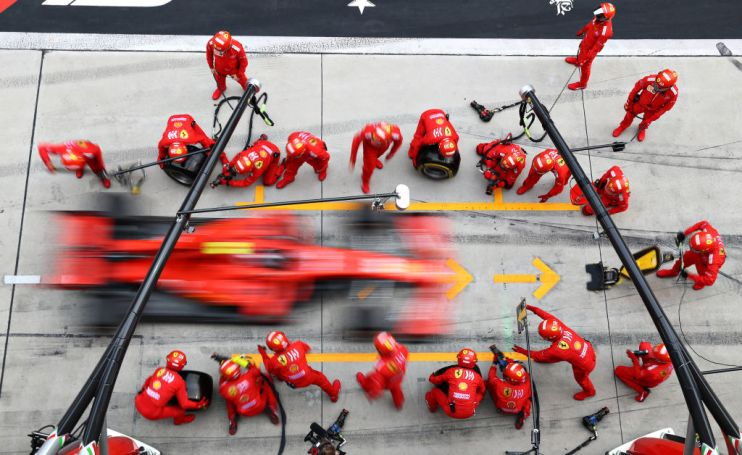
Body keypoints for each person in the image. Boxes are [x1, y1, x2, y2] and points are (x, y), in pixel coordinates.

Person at [513, 305, 597, 400]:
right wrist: (530, 308)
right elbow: (546, 315)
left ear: (549, 338)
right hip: (588, 350)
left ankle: (590, 392)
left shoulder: (557, 349)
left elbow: (538, 355)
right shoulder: (559, 326)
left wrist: (522, 351)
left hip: (584, 365)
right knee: (555, 355)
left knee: (581, 379)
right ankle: (548, 360)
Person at [258, 331, 341, 401]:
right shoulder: (298, 345)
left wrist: (262, 352)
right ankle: (333, 395)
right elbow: (307, 349)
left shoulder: (273, 361)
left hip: (293, 384)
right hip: (309, 377)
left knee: (277, 371)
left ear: (272, 349)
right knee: (322, 379)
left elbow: (269, 369)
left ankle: (280, 379)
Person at [134, 350, 208, 425]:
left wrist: (143, 390)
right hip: (151, 413)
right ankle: (179, 421)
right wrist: (198, 404)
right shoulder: (179, 381)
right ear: (182, 366)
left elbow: (148, 380)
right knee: (180, 411)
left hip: (138, 401)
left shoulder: (160, 370)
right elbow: (184, 404)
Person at [657, 220, 726, 290]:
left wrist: (689, 276)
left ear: (703, 250)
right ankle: (673, 272)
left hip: (705, 262)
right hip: (699, 253)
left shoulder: (715, 260)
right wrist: (684, 234)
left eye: (693, 249)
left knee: (702, 274)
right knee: (681, 261)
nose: (690, 249)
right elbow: (703, 223)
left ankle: (700, 283)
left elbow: (709, 280)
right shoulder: (709, 232)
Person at [612, 69, 678, 142]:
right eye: (656, 83)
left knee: (646, 122)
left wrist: (650, 120)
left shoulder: (673, 93)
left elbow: (665, 109)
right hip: (640, 104)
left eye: (660, 88)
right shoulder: (648, 80)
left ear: (669, 87)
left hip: (652, 110)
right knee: (629, 115)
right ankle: (622, 126)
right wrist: (629, 103)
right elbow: (635, 90)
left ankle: (642, 129)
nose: (656, 87)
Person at [217, 358, 279, 435]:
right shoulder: (250, 375)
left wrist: (225, 372)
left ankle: (232, 419)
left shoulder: (223, 388)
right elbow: (255, 369)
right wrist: (241, 361)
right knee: (267, 383)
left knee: (229, 400)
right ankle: (272, 409)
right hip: (260, 405)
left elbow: (222, 381)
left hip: (243, 412)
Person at [565, 3, 615, 90]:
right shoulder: (598, 18)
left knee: (585, 67)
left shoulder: (606, 32)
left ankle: (582, 84)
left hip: (590, 51)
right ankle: (578, 60)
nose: (596, 15)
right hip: (585, 43)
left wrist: (585, 59)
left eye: (600, 14)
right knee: (581, 53)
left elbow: (596, 49)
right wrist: (582, 30)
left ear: (606, 18)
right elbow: (590, 25)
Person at [425, 348, 486, 419]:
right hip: (469, 412)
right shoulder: (477, 377)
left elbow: (436, 380)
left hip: (451, 411)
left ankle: (432, 408)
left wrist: (431, 377)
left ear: (459, 359)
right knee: (480, 394)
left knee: (434, 392)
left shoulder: (451, 371)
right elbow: (482, 390)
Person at [356, 332, 409, 409]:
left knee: (370, 379)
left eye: (377, 348)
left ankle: (363, 383)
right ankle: (399, 403)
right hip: (398, 378)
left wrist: (374, 393)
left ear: (381, 350)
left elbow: (378, 383)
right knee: (396, 389)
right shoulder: (403, 349)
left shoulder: (381, 367)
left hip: (387, 382)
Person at [211, 135, 283, 188]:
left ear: (250, 169)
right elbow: (236, 157)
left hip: (274, 152)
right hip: (263, 144)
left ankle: (282, 166)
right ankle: (261, 140)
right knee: (252, 147)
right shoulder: (243, 155)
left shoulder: (258, 169)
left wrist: (228, 183)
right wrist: (230, 165)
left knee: (268, 182)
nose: (234, 170)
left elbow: (246, 183)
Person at [350, 122, 403, 193]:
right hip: (369, 147)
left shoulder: (395, 134)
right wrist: (353, 159)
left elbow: (398, 143)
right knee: (369, 166)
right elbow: (356, 141)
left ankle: (375, 159)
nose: (374, 141)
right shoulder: (368, 131)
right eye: (374, 138)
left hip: (383, 147)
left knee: (378, 155)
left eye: (377, 141)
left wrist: (391, 153)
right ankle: (365, 181)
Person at [157, 114, 224, 169]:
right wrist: (161, 158)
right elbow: (161, 148)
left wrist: (208, 149)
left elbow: (203, 139)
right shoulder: (164, 142)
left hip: (187, 118)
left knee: (203, 136)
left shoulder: (191, 139)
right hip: (172, 119)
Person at [486, 348, 532, 429]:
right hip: (517, 409)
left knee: (489, 384)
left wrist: (494, 363)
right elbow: (524, 373)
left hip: (502, 407)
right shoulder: (526, 384)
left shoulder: (499, 384)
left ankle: (500, 408)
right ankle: (524, 414)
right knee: (528, 400)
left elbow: (491, 377)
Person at [38, 140, 111, 189]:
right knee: (79, 167)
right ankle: (80, 169)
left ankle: (103, 178)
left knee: (97, 169)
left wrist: (101, 167)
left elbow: (98, 155)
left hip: (89, 157)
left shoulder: (92, 150)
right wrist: (48, 163)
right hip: (79, 156)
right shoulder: (61, 149)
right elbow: (42, 147)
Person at [206, 30, 248, 100]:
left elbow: (244, 62)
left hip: (234, 70)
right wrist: (211, 67)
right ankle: (221, 88)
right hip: (219, 68)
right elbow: (209, 55)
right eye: (215, 49)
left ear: (228, 47)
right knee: (219, 81)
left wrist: (239, 74)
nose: (216, 52)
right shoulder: (211, 43)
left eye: (220, 51)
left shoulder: (237, 48)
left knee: (244, 82)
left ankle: (248, 90)